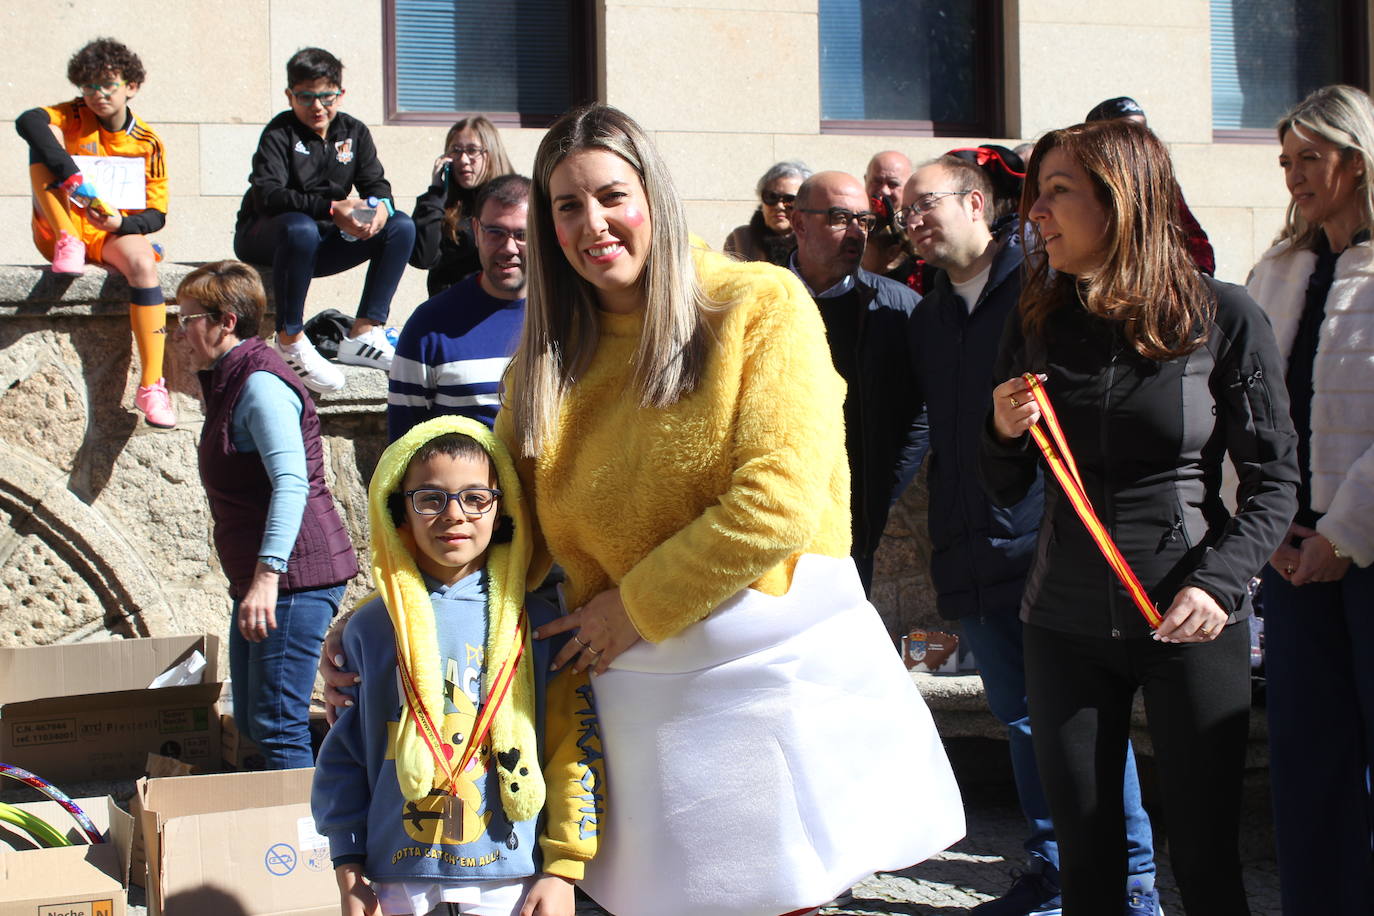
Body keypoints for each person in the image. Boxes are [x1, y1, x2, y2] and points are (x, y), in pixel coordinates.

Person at [496, 103, 962, 916]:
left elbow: (778, 500)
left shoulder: (759, 303)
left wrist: (633, 609)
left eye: (611, 196)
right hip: (634, 703)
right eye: (566, 206)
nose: (593, 224)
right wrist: (377, 629)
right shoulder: (543, 358)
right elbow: (496, 528)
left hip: (760, 692)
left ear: (655, 197)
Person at [980, 119, 1297, 914]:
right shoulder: (1036, 321)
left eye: (1057, 193)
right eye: (1034, 195)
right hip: (1063, 622)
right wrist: (999, 431)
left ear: (1121, 203)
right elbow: (1001, 485)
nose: (1036, 215)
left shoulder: (1223, 316)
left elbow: (1275, 480)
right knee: (1087, 864)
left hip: (1188, 620)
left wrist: (1221, 585)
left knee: (1203, 857)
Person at [903, 155, 1160, 916]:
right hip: (970, 547)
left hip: (1049, 548)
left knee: (1083, 725)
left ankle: (1135, 882)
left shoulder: (1043, 291)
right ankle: (1054, 870)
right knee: (1022, 723)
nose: (908, 221)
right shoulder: (929, 316)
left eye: (925, 205)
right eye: (903, 212)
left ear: (977, 202)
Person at [312, 416, 602, 916]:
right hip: (395, 876)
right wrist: (348, 863)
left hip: (509, 876)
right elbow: (345, 754)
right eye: (430, 499)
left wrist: (563, 869)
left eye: (475, 498)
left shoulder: (540, 625)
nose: (454, 515)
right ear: (397, 512)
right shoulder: (369, 629)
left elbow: (571, 749)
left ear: (502, 509)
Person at [1244, 84, 1374, 916]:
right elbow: (1245, 407)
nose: (1294, 176)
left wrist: (1346, 532)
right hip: (1290, 555)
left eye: (1311, 159)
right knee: (1307, 757)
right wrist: (1273, 530)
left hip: (1365, 557)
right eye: (1286, 161)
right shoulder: (1277, 269)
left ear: (1357, 162)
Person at [177, 261, 358, 769]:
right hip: (265, 579)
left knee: (279, 726)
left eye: (187, 317)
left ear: (225, 321)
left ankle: (311, 844)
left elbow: (291, 484)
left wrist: (266, 577)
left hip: (294, 578)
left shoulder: (259, 385)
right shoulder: (230, 379)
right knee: (258, 722)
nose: (180, 330)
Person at [234, 47, 416, 394]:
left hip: (320, 240)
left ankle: (363, 332)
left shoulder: (354, 132)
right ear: (290, 95)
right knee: (299, 227)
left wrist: (379, 209)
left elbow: (377, 186)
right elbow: (268, 195)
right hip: (267, 235)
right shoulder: (279, 133)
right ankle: (290, 338)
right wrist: (333, 209)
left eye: (326, 96)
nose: (317, 106)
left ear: (340, 94)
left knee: (401, 226)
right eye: (306, 97)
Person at [16, 38, 174, 428]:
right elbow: (27, 121)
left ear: (131, 87)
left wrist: (122, 224)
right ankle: (68, 236)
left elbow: (156, 214)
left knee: (142, 263)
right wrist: (72, 178)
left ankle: (152, 385)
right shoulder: (73, 114)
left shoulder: (148, 141)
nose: (98, 95)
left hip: (108, 232)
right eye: (89, 87)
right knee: (41, 143)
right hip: (58, 228)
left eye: (108, 85)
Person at [789, 170, 924, 593]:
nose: (855, 233)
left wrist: (883, 485)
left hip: (854, 521)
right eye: (839, 217)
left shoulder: (898, 308)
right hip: (774, 515)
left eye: (864, 221)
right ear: (798, 223)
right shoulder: (757, 299)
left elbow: (921, 410)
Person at [388, 175, 530, 440]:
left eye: (522, 234)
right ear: (476, 231)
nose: (509, 248)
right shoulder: (428, 325)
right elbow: (402, 449)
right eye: (495, 233)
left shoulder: (570, 318)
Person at [1083, 96, 1215, 276]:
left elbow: (1193, 236)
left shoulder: (1160, 182)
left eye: (1144, 130)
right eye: (1128, 131)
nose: (1140, 139)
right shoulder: (1080, 184)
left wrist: (1199, 274)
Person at [410, 115, 515, 297]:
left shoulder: (514, 200)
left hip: (498, 305)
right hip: (449, 306)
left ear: (491, 153)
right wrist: (435, 192)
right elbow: (423, 258)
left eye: (472, 150)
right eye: (456, 151)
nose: (463, 159)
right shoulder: (438, 204)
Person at [723, 160, 810, 266]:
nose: (779, 206)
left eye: (789, 199)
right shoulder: (740, 239)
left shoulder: (816, 240)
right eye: (771, 197)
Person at [860, 150, 915, 281]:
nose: (884, 191)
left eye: (893, 184)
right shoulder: (851, 224)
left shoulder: (918, 228)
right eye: (877, 181)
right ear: (866, 180)